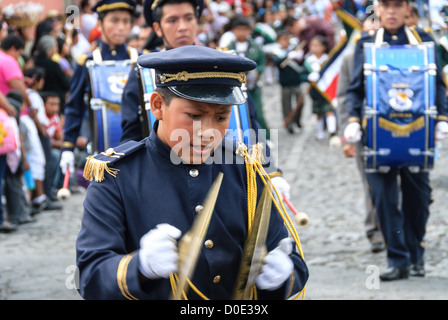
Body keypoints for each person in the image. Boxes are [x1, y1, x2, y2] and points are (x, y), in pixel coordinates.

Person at [76, 45, 308, 299]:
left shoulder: (246, 170)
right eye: (194, 115)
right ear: (157, 105)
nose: (207, 132)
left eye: (221, 117)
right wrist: (139, 268)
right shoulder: (116, 177)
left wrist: (283, 275)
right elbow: (89, 276)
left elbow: (288, 256)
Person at [343, 0, 448, 281]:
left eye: (397, 5)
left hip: (417, 132)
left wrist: (442, 120)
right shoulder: (366, 44)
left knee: (419, 199)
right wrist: (352, 120)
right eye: (385, 5)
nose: (390, 11)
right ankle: (398, 259)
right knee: (384, 199)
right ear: (378, 8)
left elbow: (437, 84)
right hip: (377, 136)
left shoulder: (425, 41)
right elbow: (354, 90)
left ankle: (416, 254)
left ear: (407, 9)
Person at [60, 0, 137, 179]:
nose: (121, 27)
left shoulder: (141, 60)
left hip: (137, 152)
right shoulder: (86, 63)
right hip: (101, 153)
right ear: (100, 24)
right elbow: (74, 107)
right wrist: (67, 146)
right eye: (114, 21)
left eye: (126, 21)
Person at [120, 0, 204, 144]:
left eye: (189, 18)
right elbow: (131, 137)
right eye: (172, 20)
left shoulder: (221, 65)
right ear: (158, 28)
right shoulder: (143, 70)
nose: (183, 27)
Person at [337, 19, 385, 253]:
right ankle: (375, 231)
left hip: (390, 129)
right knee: (371, 184)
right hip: (363, 131)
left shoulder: (391, 55)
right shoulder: (350, 58)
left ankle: (395, 231)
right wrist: (346, 136)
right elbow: (344, 98)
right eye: (369, 31)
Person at [226, 15, 270, 141]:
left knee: (257, 112)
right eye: (238, 29)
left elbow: (262, 61)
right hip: (236, 86)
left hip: (253, 85)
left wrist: (257, 73)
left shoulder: (254, 46)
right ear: (233, 30)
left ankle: (265, 137)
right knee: (239, 113)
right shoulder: (229, 47)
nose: (241, 32)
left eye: (245, 29)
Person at [270, 30, 307, 133]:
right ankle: (289, 125)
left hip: (297, 81)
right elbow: (278, 63)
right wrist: (287, 56)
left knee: (300, 103)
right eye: (283, 39)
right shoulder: (276, 51)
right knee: (287, 105)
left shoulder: (294, 49)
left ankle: (297, 121)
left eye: (287, 39)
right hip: (285, 82)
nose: (286, 41)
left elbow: (302, 63)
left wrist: (298, 56)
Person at [304, 35, 337, 140]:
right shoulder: (308, 61)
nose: (315, 48)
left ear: (324, 47)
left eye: (317, 46)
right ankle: (320, 132)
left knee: (329, 110)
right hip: (315, 92)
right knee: (318, 113)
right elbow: (302, 74)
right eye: (312, 46)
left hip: (327, 90)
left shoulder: (328, 59)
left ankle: (332, 131)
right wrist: (308, 77)